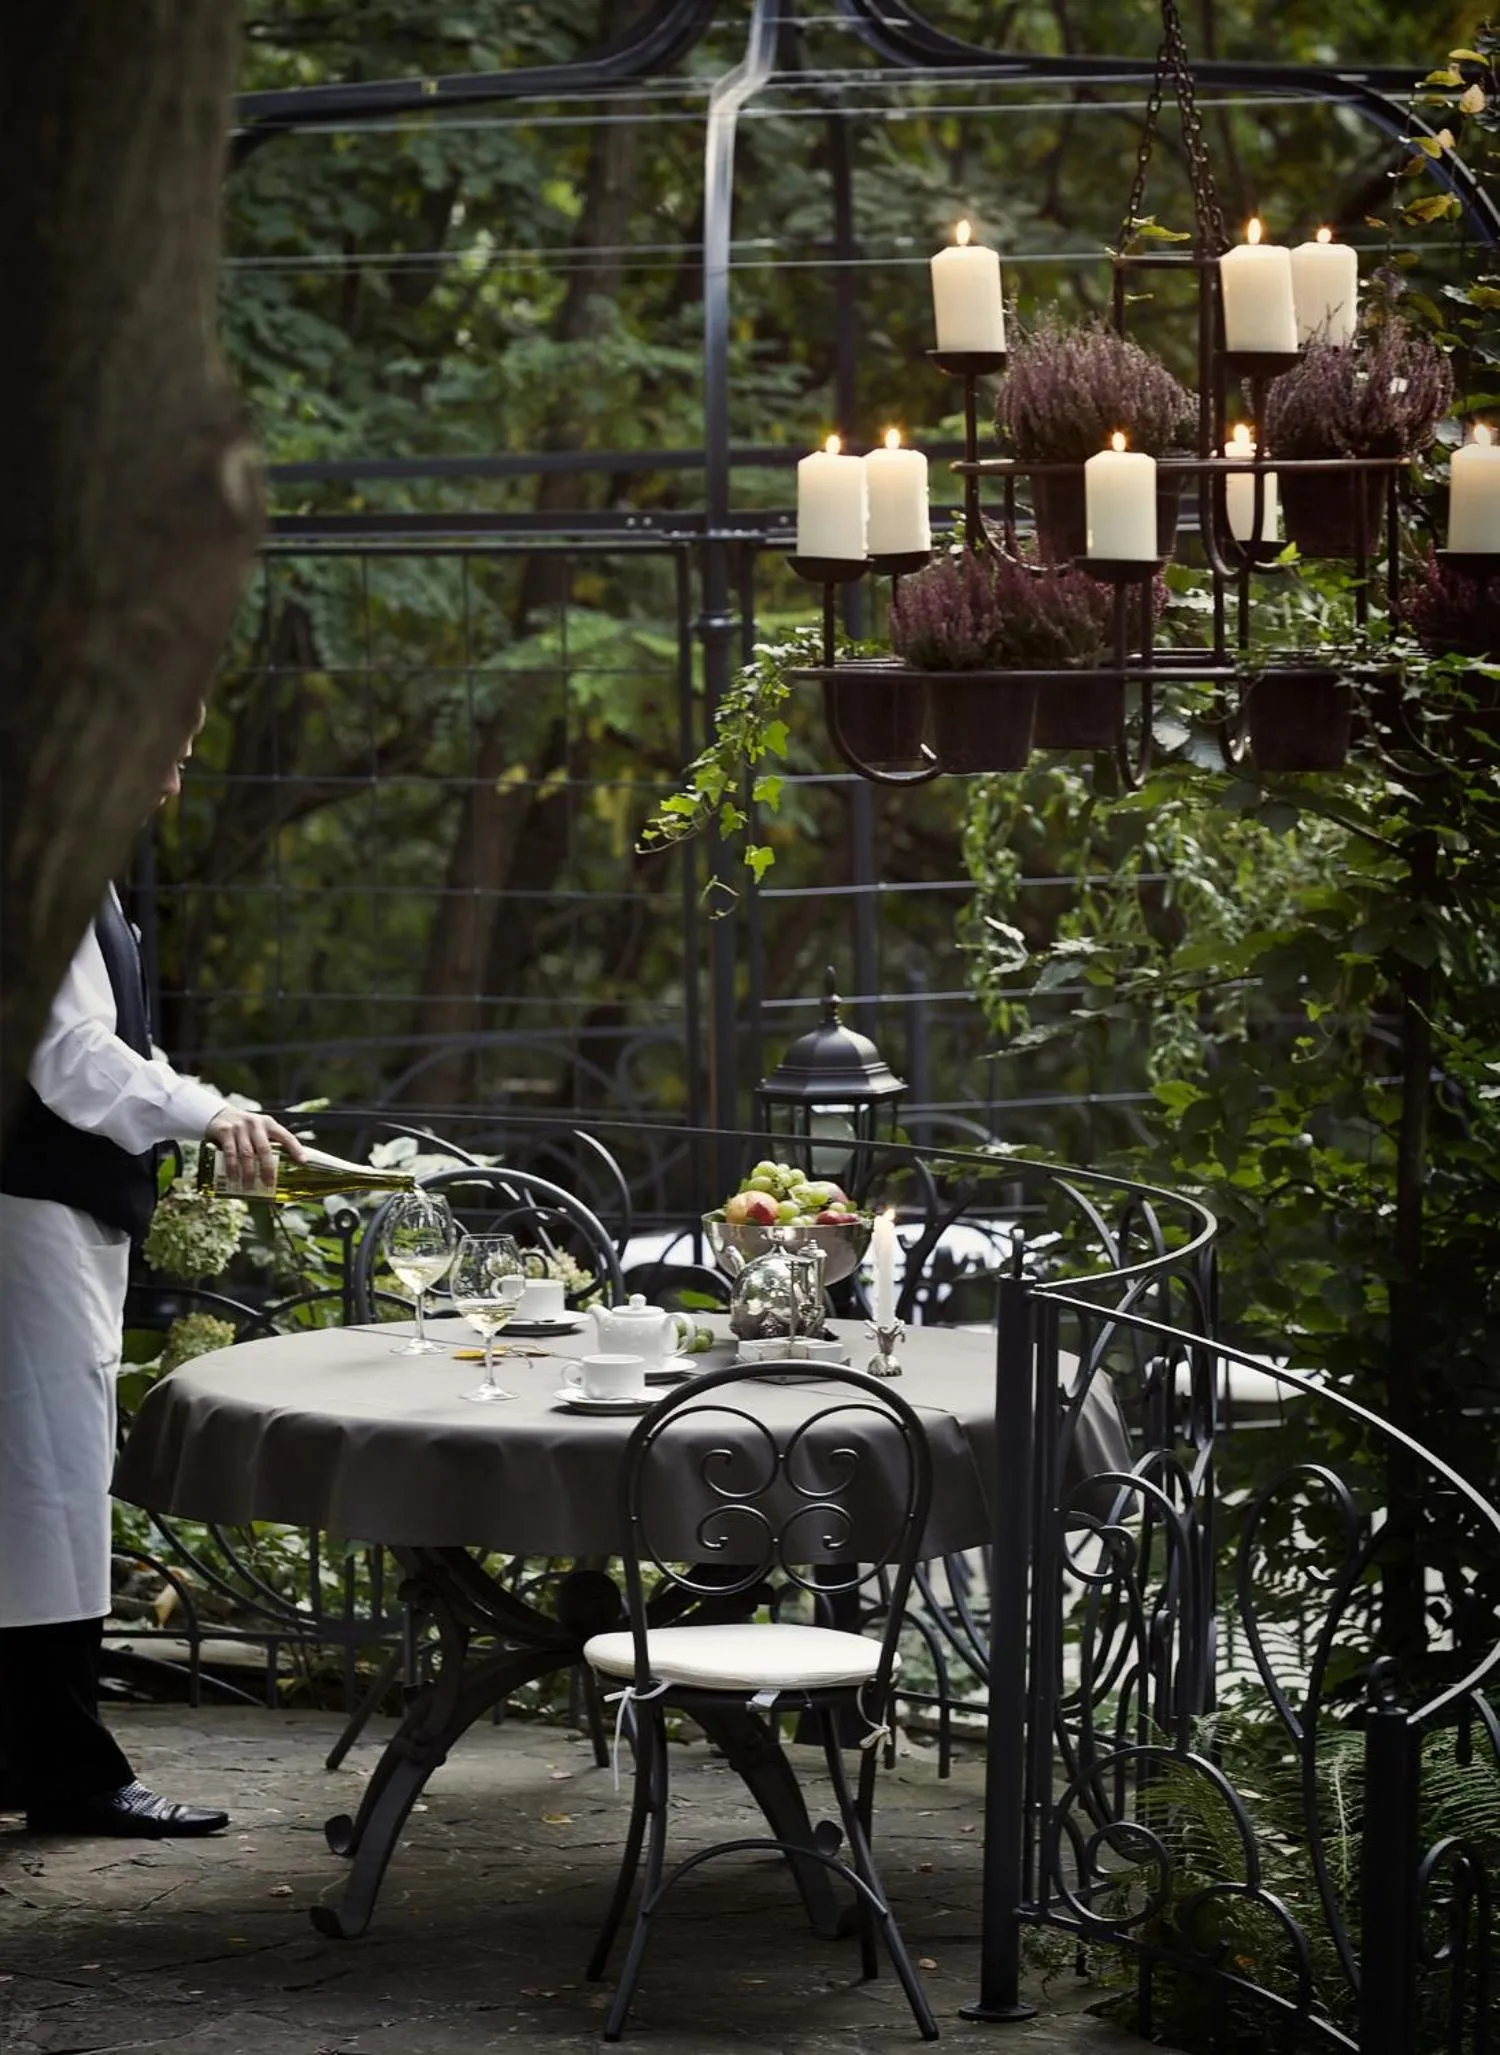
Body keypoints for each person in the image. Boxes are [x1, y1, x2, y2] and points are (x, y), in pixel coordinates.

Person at [0, 728, 305, 1838]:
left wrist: (205, 1100)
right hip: (25, 1218)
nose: (177, 782)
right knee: (46, 1501)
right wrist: (205, 1113)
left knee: (39, 1500)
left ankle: (41, 1759)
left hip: (42, 1214)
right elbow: (69, 1054)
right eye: (163, 753)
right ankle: (68, 1773)